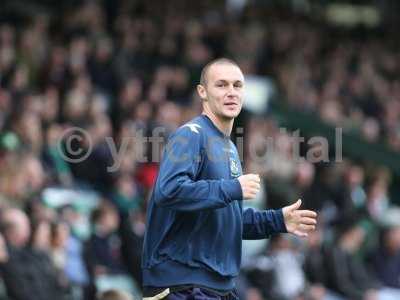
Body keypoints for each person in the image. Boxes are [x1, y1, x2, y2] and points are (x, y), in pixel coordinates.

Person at [141, 58, 317, 299]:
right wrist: (232, 188)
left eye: (237, 85)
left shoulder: (229, 148)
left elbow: (226, 219)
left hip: (217, 285)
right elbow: (169, 190)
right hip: (183, 283)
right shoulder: (191, 135)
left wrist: (277, 221)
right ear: (202, 92)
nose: (231, 92)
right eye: (221, 85)